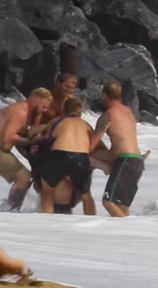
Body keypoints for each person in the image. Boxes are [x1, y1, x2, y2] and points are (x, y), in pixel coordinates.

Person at [92, 81, 145, 218]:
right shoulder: (129, 112)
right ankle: (127, 232)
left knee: (108, 202)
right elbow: (121, 139)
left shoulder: (108, 115)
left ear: (104, 95)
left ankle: (123, 228)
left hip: (126, 161)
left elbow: (92, 143)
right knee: (122, 205)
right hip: (137, 161)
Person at [39, 97, 97, 215]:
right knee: (86, 195)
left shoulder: (58, 121)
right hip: (81, 157)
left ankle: (45, 219)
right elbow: (93, 143)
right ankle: (92, 223)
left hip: (60, 155)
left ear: (64, 110)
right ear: (80, 112)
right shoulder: (86, 125)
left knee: (47, 190)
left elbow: (47, 138)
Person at [0, 88, 52, 212]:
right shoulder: (21, 112)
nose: (45, 111)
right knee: (24, 176)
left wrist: (45, 126)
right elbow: (8, 137)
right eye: (43, 107)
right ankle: (9, 210)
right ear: (35, 101)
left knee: (25, 176)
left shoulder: (26, 112)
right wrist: (30, 142)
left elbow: (28, 131)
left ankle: (10, 208)